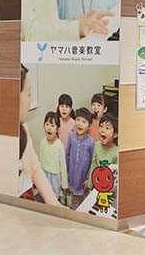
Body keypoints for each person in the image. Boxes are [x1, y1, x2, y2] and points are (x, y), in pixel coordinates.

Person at [18, 64, 61, 205]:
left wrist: (54, 204)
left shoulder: (23, 128)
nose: (30, 100)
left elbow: (35, 167)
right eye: (28, 94)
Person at [66, 107, 95, 210]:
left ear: (89, 126)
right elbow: (67, 155)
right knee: (73, 198)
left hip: (83, 178)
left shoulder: (91, 142)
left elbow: (92, 162)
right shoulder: (71, 137)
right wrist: (67, 171)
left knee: (83, 199)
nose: (80, 124)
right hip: (72, 174)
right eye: (78, 120)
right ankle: (74, 211)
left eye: (84, 122)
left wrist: (88, 178)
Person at [38, 112, 68, 200]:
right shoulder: (42, 142)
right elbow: (41, 159)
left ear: (57, 129)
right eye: (47, 124)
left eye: (52, 125)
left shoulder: (59, 145)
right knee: (44, 194)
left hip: (55, 177)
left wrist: (64, 185)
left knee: (54, 197)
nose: (49, 128)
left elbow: (63, 166)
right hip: (44, 173)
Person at [88, 112, 118, 192]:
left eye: (107, 128)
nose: (102, 130)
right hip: (96, 186)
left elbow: (116, 177)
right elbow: (93, 165)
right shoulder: (97, 145)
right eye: (101, 126)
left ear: (115, 134)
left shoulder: (116, 153)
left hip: (108, 189)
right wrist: (90, 185)